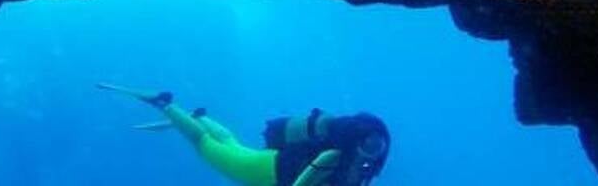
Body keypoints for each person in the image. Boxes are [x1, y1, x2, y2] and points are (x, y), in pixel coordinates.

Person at [98, 83, 390, 186]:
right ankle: (163, 103)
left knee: (230, 143)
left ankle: (196, 118)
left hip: (268, 163)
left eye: (377, 145)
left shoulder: (359, 167)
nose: (373, 150)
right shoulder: (332, 157)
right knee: (204, 144)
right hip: (263, 173)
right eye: (371, 143)